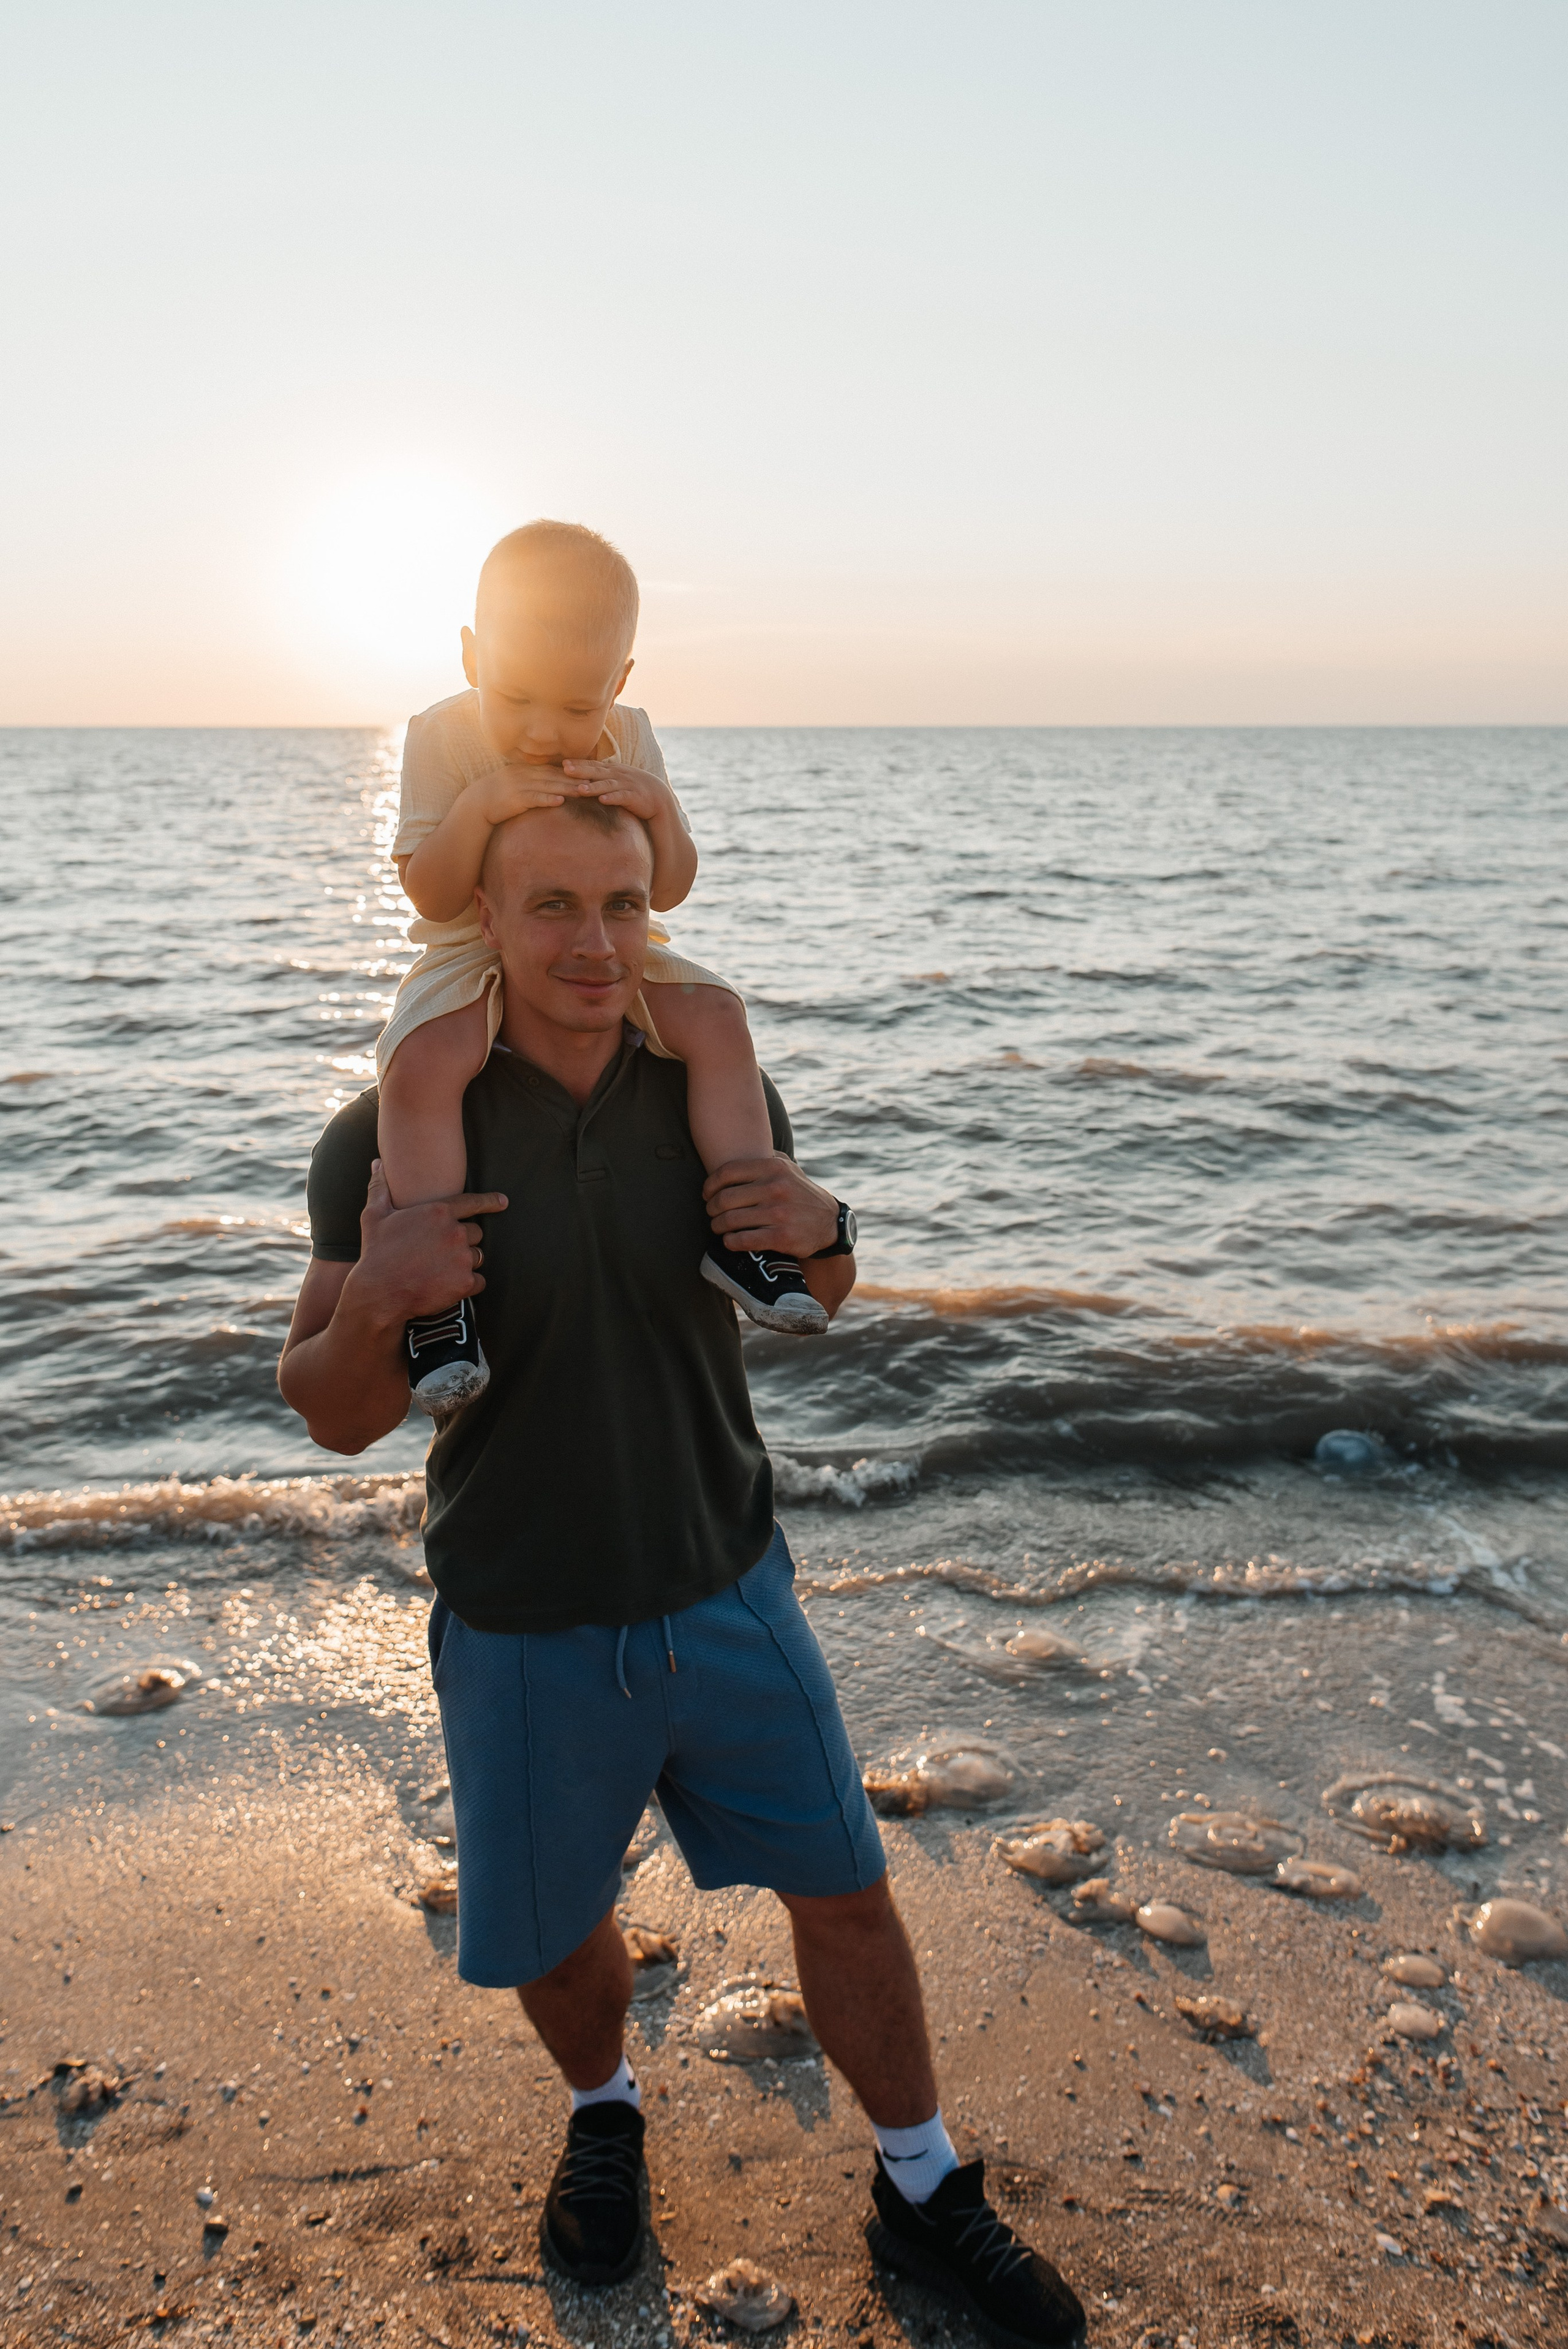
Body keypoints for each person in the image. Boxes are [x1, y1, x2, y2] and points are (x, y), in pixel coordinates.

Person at [277, 794, 1087, 2349]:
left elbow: (811, 1288)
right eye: (553, 908)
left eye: (622, 906)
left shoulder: (712, 1079)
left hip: (728, 1577)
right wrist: (378, 1296)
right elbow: (331, 1413)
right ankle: (605, 2111)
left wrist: (831, 1227)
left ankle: (920, 2185)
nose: (594, 943)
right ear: (485, 929)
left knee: (846, 1894)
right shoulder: (387, 1128)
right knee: (560, 1928)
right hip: (520, 1609)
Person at [379, 517, 826, 1417]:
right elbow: (430, 893)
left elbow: (672, 887)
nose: (548, 734)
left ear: (618, 685)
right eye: (519, 700)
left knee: (719, 1018)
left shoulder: (630, 735)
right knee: (422, 1062)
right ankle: (440, 1305)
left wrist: (657, 810)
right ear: (471, 657)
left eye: (579, 710)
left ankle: (748, 1239)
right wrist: (481, 807)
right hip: (468, 950)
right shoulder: (439, 736)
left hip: (612, 945)